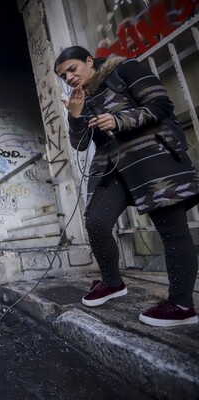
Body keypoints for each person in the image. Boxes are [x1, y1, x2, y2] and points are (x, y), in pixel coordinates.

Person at [54, 46, 199, 327]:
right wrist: (74, 115)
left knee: (171, 229)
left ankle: (182, 304)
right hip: (113, 167)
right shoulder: (81, 97)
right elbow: (81, 144)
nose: (69, 77)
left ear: (88, 61)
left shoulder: (124, 71)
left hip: (150, 160)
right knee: (96, 221)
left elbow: (161, 105)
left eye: (72, 69)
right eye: (63, 75)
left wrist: (120, 120)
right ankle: (113, 282)